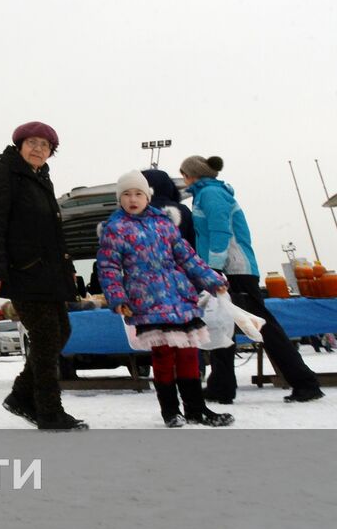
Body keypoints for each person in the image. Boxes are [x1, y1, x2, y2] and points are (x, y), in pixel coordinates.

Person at [181, 155, 324, 404]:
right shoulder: (207, 193)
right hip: (227, 269)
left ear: (191, 174)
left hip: (235, 270)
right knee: (223, 325)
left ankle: (304, 381)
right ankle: (221, 386)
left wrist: (214, 267)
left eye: (183, 173)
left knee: (260, 325)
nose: (183, 178)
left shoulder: (211, 194)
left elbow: (220, 231)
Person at [97, 171, 233, 427]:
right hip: (146, 299)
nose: (132, 199)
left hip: (178, 296)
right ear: (119, 199)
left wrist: (212, 279)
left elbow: (187, 257)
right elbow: (108, 268)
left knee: (188, 354)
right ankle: (170, 411)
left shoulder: (164, 223)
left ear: (148, 196)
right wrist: (118, 297)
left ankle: (196, 409)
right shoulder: (115, 229)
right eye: (126, 194)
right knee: (163, 356)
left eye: (138, 193)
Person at [0, 121, 87, 431]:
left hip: (47, 273)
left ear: (51, 152)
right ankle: (49, 410)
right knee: (47, 336)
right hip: (22, 272)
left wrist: (68, 268)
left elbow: (52, 233)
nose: (38, 149)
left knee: (59, 332)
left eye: (45, 145)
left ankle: (21, 396)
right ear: (20, 145)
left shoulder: (40, 179)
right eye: (32, 142)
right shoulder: (5, 175)